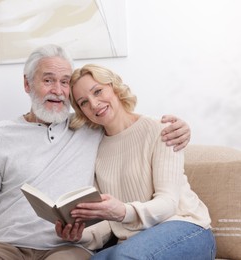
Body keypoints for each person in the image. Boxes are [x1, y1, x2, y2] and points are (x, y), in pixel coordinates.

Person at [0, 44, 191, 260]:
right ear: (28, 84)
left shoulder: (89, 124)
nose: (58, 90)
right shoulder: (1, 135)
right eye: (48, 80)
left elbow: (127, 125)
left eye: (65, 82)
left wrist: (178, 128)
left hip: (66, 247)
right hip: (5, 245)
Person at [57, 64, 216, 259]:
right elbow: (108, 221)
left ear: (114, 87)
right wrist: (78, 234)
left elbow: (169, 203)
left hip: (187, 229)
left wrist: (124, 211)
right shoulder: (95, 148)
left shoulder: (161, 130)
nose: (94, 104)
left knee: (124, 256)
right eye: (84, 102)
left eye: (98, 91)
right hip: (133, 242)